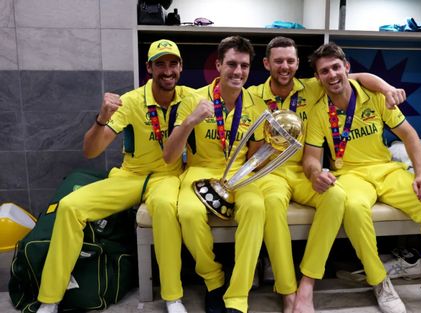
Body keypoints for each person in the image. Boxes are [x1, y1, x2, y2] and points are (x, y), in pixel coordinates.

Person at [294, 42, 421, 313]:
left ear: (346, 68)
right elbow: (312, 157)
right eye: (324, 71)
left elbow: (409, 135)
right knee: (353, 208)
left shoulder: (374, 97)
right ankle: (380, 281)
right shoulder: (317, 112)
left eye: (336, 67)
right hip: (349, 174)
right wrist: (315, 174)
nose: (332, 74)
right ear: (318, 77)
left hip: (386, 169)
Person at [246, 36, 407, 313]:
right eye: (278, 61)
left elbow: (358, 77)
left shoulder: (313, 86)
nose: (284, 66)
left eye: (290, 61)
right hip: (272, 172)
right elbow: (252, 153)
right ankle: (287, 291)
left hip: (304, 170)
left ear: (297, 64)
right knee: (272, 205)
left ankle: (307, 283)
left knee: (336, 196)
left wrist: (388, 87)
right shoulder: (253, 96)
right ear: (266, 64)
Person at [36, 39, 193, 313]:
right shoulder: (131, 101)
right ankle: (50, 299)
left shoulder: (191, 98)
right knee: (71, 206)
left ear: (180, 67)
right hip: (130, 175)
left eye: (172, 63)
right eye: (160, 64)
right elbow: (91, 151)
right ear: (149, 68)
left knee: (166, 207)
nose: (167, 70)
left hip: (167, 177)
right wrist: (101, 117)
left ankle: (172, 296)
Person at [163, 36, 267, 313]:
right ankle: (213, 279)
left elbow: (256, 156)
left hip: (240, 173)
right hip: (200, 170)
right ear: (218, 64)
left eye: (244, 66)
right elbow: (169, 156)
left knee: (256, 207)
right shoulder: (192, 99)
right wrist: (190, 121)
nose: (238, 71)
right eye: (231, 64)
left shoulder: (256, 105)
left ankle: (238, 295)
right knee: (187, 212)